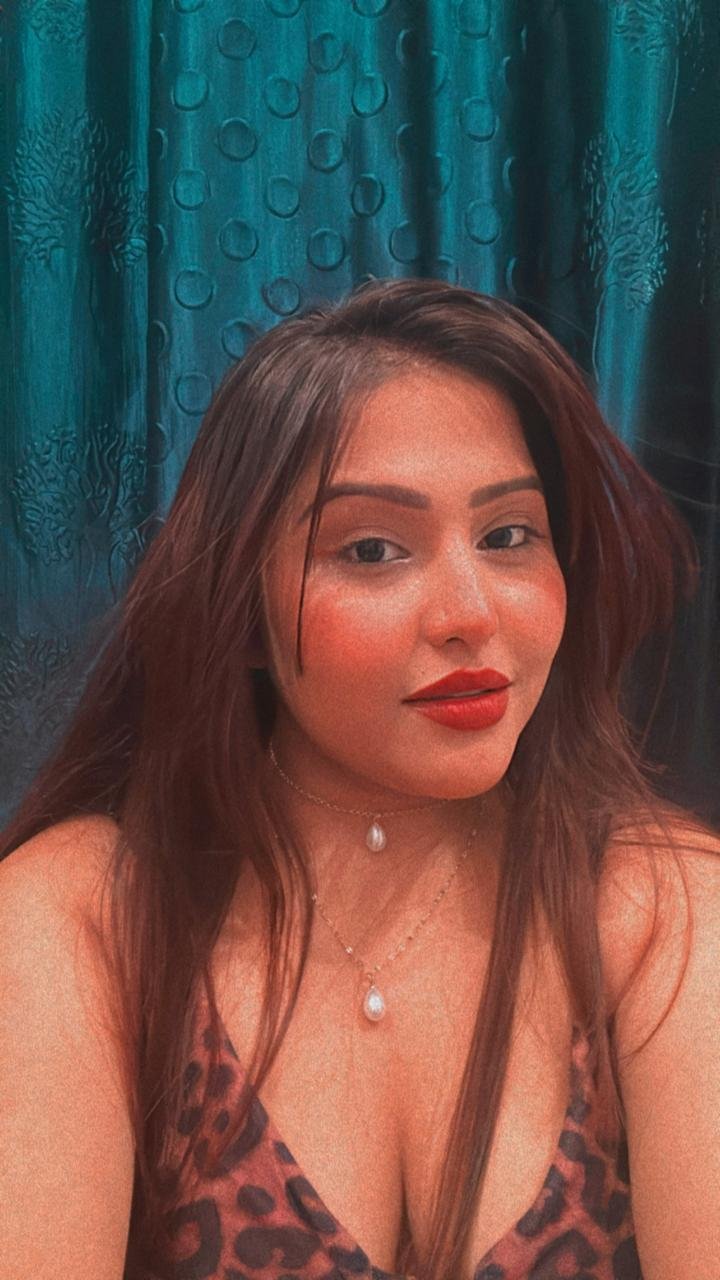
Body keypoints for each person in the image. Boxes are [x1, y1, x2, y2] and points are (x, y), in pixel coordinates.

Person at [0, 277, 718, 1280]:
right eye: (373, 549)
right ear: (241, 610)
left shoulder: (660, 909)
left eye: (509, 536)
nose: (470, 613)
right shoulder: (87, 919)